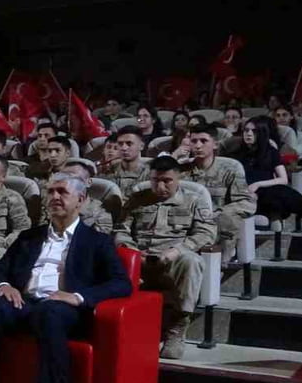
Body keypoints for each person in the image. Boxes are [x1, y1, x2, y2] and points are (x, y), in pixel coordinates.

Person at [0, 172, 131, 383]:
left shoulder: (96, 241)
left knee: (49, 315)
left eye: (62, 192)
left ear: (81, 200)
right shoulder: (30, 236)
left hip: (62, 308)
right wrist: (4, 286)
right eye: (51, 192)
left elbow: (121, 283)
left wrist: (76, 297)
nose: (54, 197)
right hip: (25, 301)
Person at [115, 156, 217, 359]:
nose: (160, 186)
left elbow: (206, 232)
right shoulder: (137, 200)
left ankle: (176, 328)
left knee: (191, 261)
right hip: (140, 259)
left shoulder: (193, 200)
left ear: (178, 178)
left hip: (173, 261)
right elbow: (121, 230)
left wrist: (179, 250)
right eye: (155, 180)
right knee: (112, 255)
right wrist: (133, 251)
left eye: (167, 181)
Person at [181, 123, 254, 261]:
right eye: (194, 141)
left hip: (216, 223)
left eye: (203, 141)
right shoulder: (181, 169)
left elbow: (246, 201)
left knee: (226, 218)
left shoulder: (230, 168)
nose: (198, 146)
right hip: (187, 221)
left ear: (215, 144)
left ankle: (220, 262)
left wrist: (219, 212)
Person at [234, 119, 302, 220]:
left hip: (266, 188)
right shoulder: (236, 154)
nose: (248, 134)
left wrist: (258, 184)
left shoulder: (271, 152)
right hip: (247, 192)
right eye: (246, 130)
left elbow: (283, 179)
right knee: (276, 200)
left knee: (280, 193)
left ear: (261, 133)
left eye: (254, 131)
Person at [37, 161, 113, 234]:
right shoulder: (51, 203)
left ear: (88, 182)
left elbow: (97, 241)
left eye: (75, 178)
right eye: (64, 176)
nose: (68, 181)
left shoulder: (100, 213)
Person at [103, 126, 151, 197]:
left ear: (141, 146)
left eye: (129, 144)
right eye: (120, 144)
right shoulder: (107, 171)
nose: (124, 148)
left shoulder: (150, 174)